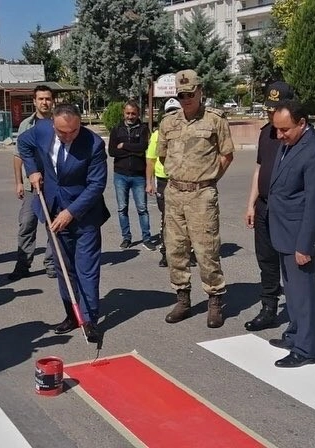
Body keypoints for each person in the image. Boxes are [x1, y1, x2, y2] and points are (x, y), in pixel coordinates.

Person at [18, 104, 109, 343]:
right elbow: (23, 144)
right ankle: (71, 313)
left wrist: (71, 212)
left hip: (85, 214)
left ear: (80, 124)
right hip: (52, 209)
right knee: (63, 267)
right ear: (53, 125)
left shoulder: (94, 144)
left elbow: (96, 185)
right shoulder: (42, 130)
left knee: (86, 269)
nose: (68, 136)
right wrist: (32, 170)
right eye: (63, 132)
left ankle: (89, 320)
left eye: (73, 131)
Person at [157, 69, 234, 328]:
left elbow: (226, 155)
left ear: (200, 91)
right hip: (175, 192)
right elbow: (162, 156)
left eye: (190, 93)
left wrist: (209, 179)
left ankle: (214, 300)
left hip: (202, 194)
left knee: (206, 250)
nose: (186, 98)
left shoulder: (215, 120)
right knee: (176, 249)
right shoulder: (168, 122)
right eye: (181, 95)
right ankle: (183, 299)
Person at [265, 100, 315, 368]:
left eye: (285, 130)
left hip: (299, 236)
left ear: (302, 123)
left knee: (304, 293)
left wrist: (305, 245)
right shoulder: (291, 143)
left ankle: (305, 348)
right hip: (283, 230)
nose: (280, 136)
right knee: (292, 291)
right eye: (277, 130)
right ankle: (294, 334)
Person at [243, 81, 294, 331]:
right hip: (264, 206)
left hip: (286, 209)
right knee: (266, 260)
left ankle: (297, 311)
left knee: (290, 262)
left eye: (275, 109)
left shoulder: (296, 134)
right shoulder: (266, 132)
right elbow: (259, 168)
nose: (270, 114)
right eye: (269, 109)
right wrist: (251, 203)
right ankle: (269, 308)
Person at [9, 85, 56, 280]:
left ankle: (52, 264)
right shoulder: (26, 125)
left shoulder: (58, 123)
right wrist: (19, 182)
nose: (45, 102)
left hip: (53, 184)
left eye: (48, 99)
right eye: (41, 99)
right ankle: (23, 265)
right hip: (31, 186)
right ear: (34, 101)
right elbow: (18, 156)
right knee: (27, 223)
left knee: (53, 225)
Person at [108, 101, 156, 250]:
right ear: (124, 113)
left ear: (138, 113)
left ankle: (146, 238)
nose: (130, 116)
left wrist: (124, 146)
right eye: (128, 113)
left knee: (142, 208)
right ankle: (126, 237)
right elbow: (112, 152)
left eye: (133, 113)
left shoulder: (143, 129)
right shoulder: (116, 129)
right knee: (122, 208)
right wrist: (133, 150)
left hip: (138, 175)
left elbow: (143, 147)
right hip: (120, 175)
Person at [146, 98, 185, 268]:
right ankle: (166, 253)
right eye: (169, 112)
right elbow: (151, 160)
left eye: (175, 111)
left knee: (186, 219)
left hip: (183, 180)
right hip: (164, 181)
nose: (172, 115)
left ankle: (186, 253)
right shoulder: (157, 134)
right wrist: (149, 182)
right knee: (166, 219)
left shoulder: (187, 132)